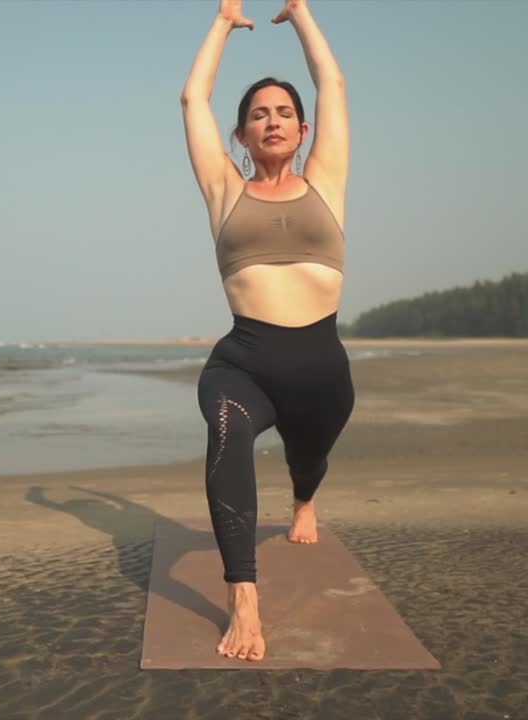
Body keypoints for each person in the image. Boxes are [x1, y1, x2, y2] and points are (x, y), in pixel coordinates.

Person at [180, 0, 353, 662]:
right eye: (258, 115)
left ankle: (304, 499)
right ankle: (243, 598)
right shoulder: (224, 189)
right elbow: (193, 98)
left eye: (283, 112)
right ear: (243, 137)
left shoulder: (327, 182)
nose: (272, 120)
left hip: (322, 374)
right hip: (243, 365)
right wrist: (223, 22)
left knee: (308, 463)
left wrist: (302, 14)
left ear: (303, 130)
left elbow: (331, 83)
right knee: (225, 427)